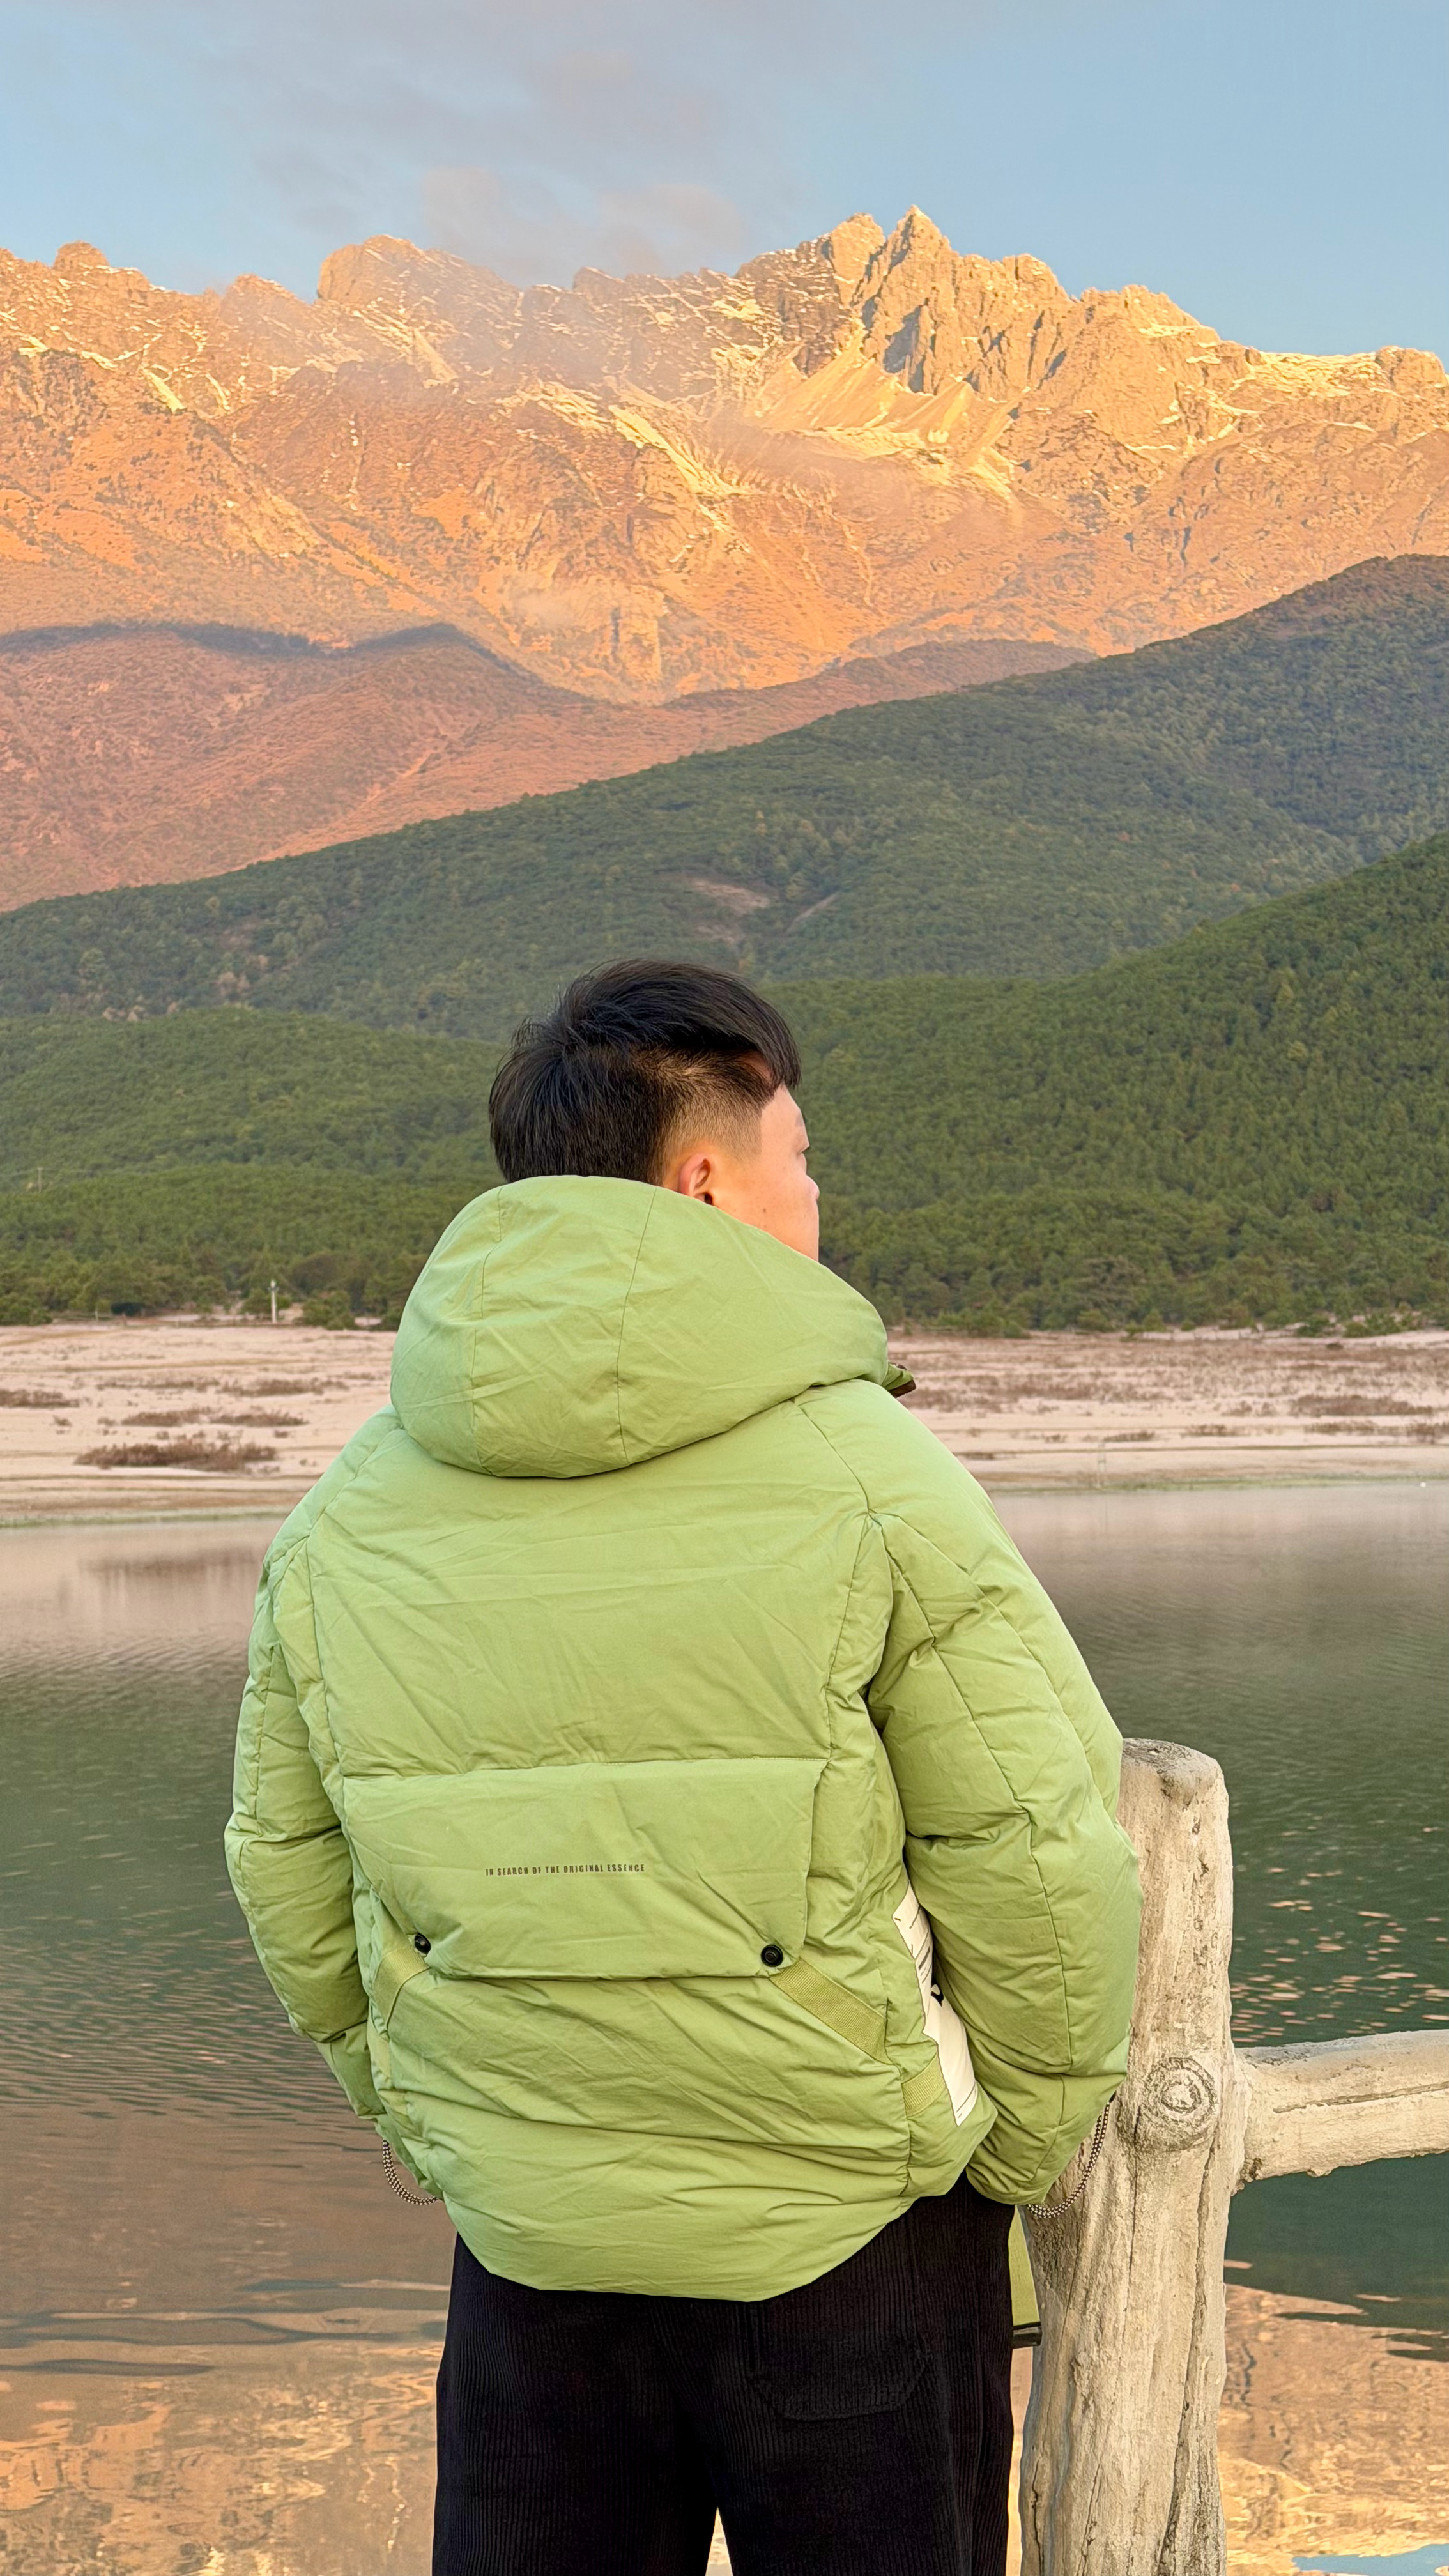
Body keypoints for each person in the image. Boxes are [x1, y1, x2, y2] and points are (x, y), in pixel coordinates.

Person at [226, 959, 1141, 2576]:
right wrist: (996, 2153)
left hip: (529, 2245)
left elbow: (287, 1870)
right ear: (707, 1181)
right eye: (802, 1158)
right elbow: (1037, 1851)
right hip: (853, 2243)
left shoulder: (346, 1511)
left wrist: (450, 2133)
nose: (818, 1197)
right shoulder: (871, 1475)